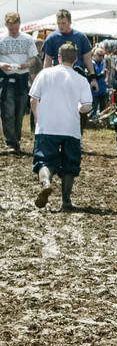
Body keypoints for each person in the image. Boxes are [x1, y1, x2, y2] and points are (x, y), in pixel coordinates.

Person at [29, 42, 93, 210]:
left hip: (47, 126)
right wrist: (79, 107)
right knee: (70, 165)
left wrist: (37, 118)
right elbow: (86, 107)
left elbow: (33, 99)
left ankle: (46, 182)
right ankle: (66, 201)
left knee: (44, 160)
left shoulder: (45, 74)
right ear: (76, 60)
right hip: (70, 129)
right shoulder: (81, 79)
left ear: (58, 57)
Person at [1, 12, 40, 152]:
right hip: (6, 77)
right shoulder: (1, 39)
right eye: (11, 28)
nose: (14, 31)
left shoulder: (27, 39)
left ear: (19, 24)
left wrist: (27, 64)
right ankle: (10, 142)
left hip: (22, 78)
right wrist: (1, 65)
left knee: (20, 111)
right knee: (8, 111)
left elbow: (33, 58)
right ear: (6, 25)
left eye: (16, 28)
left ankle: (16, 140)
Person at [88, 47, 108, 119]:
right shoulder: (91, 64)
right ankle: (91, 121)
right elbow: (92, 76)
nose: (101, 57)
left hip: (103, 89)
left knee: (103, 108)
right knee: (94, 107)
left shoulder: (104, 63)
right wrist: (102, 74)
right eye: (99, 55)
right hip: (94, 90)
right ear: (94, 55)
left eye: (103, 55)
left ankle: (102, 121)